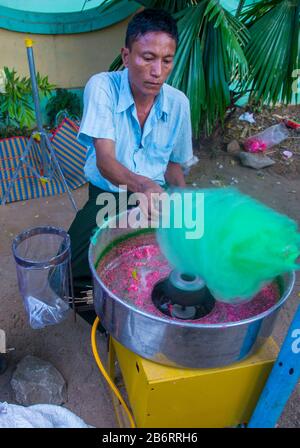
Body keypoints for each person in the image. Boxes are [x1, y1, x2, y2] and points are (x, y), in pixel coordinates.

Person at [69, 8, 193, 325]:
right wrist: (144, 188)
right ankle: (103, 321)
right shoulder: (102, 87)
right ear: (126, 56)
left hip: (155, 195)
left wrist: (184, 209)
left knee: (184, 254)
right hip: (111, 191)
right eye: (147, 57)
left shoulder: (178, 103)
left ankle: (158, 311)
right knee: (72, 265)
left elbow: (175, 168)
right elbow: (106, 161)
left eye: (166, 60)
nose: (157, 71)